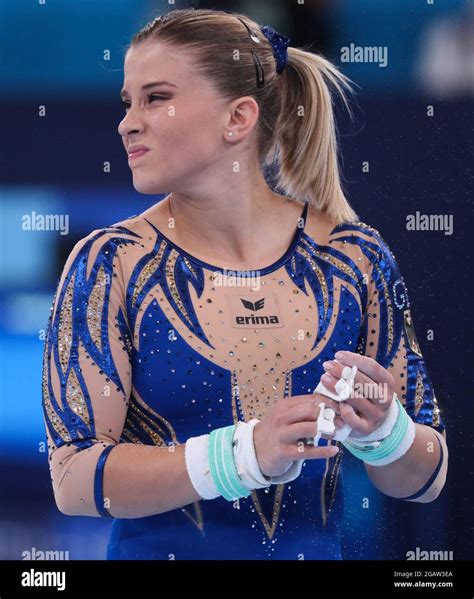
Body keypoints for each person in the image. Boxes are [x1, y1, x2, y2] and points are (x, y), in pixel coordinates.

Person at [41, 8, 447, 560]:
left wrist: (386, 431)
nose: (127, 122)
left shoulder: (353, 257)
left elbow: (425, 476)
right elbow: (73, 477)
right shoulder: (110, 264)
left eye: (156, 98)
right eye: (127, 101)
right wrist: (242, 456)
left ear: (238, 118)